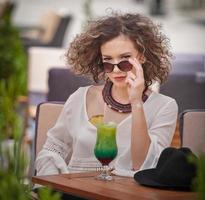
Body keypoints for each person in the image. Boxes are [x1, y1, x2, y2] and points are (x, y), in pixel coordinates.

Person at [35, 12, 178, 178]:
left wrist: (136, 102)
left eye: (125, 60)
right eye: (108, 62)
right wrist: (52, 188)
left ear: (142, 57)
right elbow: (52, 151)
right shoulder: (81, 97)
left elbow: (143, 166)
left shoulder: (164, 107)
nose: (116, 69)